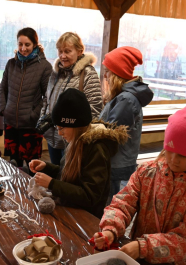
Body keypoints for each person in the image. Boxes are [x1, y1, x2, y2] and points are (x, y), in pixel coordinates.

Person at [94, 105, 186, 265]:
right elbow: (124, 202)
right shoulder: (147, 172)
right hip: (141, 261)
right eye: (170, 151)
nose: (174, 160)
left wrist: (143, 247)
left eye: (183, 156)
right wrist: (110, 229)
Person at [29, 88, 128, 219]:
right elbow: (72, 175)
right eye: (57, 128)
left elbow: (89, 196)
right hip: (71, 210)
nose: (59, 133)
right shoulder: (76, 141)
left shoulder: (97, 149)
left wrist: (52, 184)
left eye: (61, 128)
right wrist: (47, 168)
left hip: (86, 217)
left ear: (75, 124)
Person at [99, 46, 154, 200]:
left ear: (117, 74)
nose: (105, 76)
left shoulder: (126, 99)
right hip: (114, 161)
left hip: (115, 162)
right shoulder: (124, 97)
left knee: (107, 203)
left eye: (108, 71)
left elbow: (111, 134)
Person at [40, 32, 103, 165]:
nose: (63, 56)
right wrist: (43, 117)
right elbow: (47, 99)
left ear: (79, 51)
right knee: (57, 175)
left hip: (73, 140)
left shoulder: (88, 74)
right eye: (60, 51)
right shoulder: (55, 73)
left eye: (68, 51)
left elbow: (95, 109)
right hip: (53, 136)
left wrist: (73, 128)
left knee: (68, 179)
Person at [0, 27, 52, 167]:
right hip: (10, 123)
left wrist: (34, 115)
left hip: (30, 125)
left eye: (27, 44)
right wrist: (4, 110)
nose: (23, 48)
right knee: (13, 163)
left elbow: (48, 96)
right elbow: (2, 89)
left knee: (31, 167)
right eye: (20, 44)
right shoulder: (11, 64)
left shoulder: (45, 67)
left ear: (35, 44)